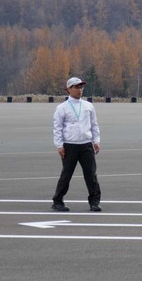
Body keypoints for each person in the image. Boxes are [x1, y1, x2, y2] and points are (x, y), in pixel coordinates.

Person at [51, 77, 102, 212]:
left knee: (91, 175)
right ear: (68, 89)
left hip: (86, 145)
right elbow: (58, 128)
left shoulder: (88, 106)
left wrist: (96, 141)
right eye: (76, 87)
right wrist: (59, 145)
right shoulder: (62, 108)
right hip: (69, 145)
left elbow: (94, 125)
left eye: (81, 87)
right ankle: (57, 201)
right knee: (66, 175)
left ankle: (94, 202)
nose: (80, 90)